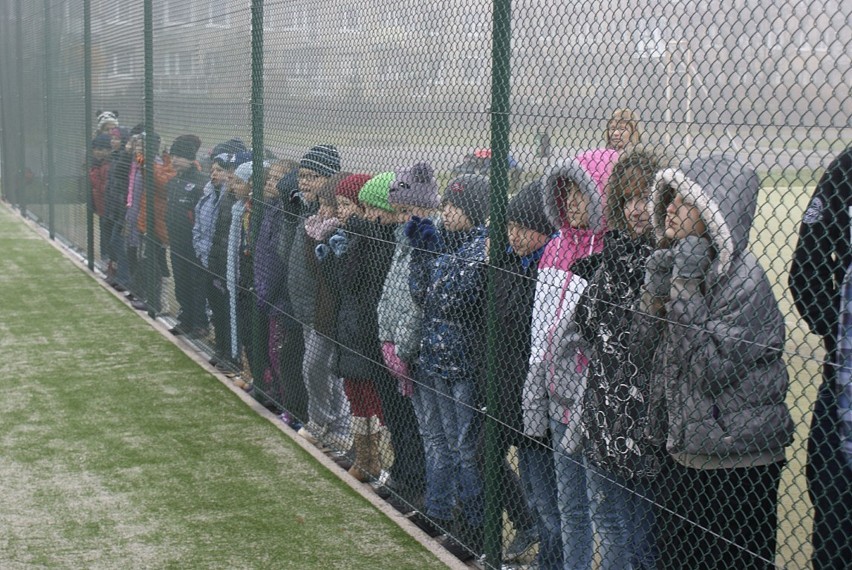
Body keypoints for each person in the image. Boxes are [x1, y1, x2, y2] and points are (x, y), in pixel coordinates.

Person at [647, 155, 793, 569]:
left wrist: (686, 290)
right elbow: (646, 356)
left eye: (684, 202)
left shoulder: (745, 281)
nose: (670, 208)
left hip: (738, 461)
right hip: (684, 451)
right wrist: (656, 295)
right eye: (669, 199)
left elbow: (710, 372)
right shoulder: (678, 268)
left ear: (714, 214)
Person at [523, 148, 619, 570]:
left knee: (603, 510)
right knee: (570, 505)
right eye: (567, 195)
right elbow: (540, 327)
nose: (574, 203)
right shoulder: (555, 249)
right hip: (558, 395)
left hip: (594, 402)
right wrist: (538, 378)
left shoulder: (612, 256)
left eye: (582, 193)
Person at [571, 149, 664, 569]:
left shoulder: (665, 263)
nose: (636, 210)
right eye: (627, 200)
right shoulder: (612, 256)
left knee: (641, 536)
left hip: (646, 423)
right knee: (609, 524)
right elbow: (587, 322)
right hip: (604, 412)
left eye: (645, 197)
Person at [405, 174, 492, 561]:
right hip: (435, 356)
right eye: (447, 206)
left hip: (464, 363)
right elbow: (423, 295)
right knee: (441, 440)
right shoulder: (446, 242)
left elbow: (454, 294)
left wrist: (434, 260)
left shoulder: (482, 245)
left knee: (465, 449)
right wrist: (420, 256)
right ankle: (443, 511)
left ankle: (475, 528)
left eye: (455, 207)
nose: (447, 212)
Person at [789, 145, 852, 570]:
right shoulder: (845, 170)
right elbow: (805, 270)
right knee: (833, 522)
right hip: (841, 382)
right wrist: (841, 329)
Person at [493, 180, 558, 567]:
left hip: (538, 396)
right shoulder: (508, 261)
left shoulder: (544, 269)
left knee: (546, 495)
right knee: (534, 490)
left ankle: (550, 561)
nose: (514, 236)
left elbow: (519, 322)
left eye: (523, 228)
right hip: (510, 388)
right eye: (510, 227)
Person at [316, 173, 393, 481]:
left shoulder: (369, 241)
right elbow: (341, 288)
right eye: (342, 204)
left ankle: (375, 457)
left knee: (373, 396)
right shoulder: (350, 236)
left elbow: (363, 285)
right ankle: (362, 455)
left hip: (364, 331)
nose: (344, 210)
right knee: (355, 394)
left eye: (349, 204)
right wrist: (330, 261)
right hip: (348, 327)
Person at [286, 145, 349, 447]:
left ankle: (328, 423)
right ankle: (331, 425)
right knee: (321, 367)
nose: (305, 182)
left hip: (323, 306)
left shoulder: (329, 216)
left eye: (313, 176)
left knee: (318, 366)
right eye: (302, 175)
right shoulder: (303, 209)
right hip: (304, 302)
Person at [253, 159, 300, 408]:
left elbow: (276, 261)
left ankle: (286, 401)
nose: (270, 182)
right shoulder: (270, 208)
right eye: (269, 178)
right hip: (268, 295)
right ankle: (277, 393)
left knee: (281, 353)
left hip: (279, 299)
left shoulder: (284, 213)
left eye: (276, 178)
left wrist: (265, 293)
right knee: (272, 350)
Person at [196, 150, 240, 366]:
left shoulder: (233, 201)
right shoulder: (220, 197)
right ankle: (222, 348)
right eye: (213, 170)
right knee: (218, 309)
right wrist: (206, 256)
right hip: (214, 261)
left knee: (228, 311)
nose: (216, 174)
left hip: (229, 267)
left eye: (222, 171)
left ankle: (232, 356)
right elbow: (208, 231)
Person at [164, 135, 207, 336]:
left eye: (179, 156)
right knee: (181, 282)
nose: (174, 160)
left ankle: (200, 323)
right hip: (177, 243)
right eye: (173, 156)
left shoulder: (200, 183)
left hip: (194, 245)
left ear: (190, 159)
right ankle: (186, 319)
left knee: (196, 283)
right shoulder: (173, 183)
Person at [89, 133, 113, 273]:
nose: (99, 152)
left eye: (103, 149)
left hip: (109, 208)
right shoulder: (95, 164)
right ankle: (106, 261)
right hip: (101, 208)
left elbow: (104, 187)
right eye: (97, 149)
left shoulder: (106, 166)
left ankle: (110, 263)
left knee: (110, 237)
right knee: (104, 236)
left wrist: (94, 176)